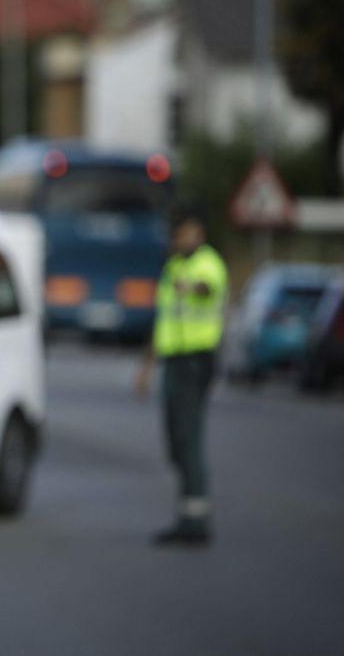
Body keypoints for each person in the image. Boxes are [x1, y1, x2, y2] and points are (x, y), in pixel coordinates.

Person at [134, 208, 228, 546]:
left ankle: (195, 521)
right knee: (176, 439)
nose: (180, 239)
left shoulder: (207, 263)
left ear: (199, 233)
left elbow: (206, 289)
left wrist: (187, 284)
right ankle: (188, 513)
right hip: (173, 361)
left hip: (196, 360)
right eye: (177, 234)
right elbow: (164, 322)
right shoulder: (173, 267)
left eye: (186, 233)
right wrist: (146, 367)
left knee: (189, 438)